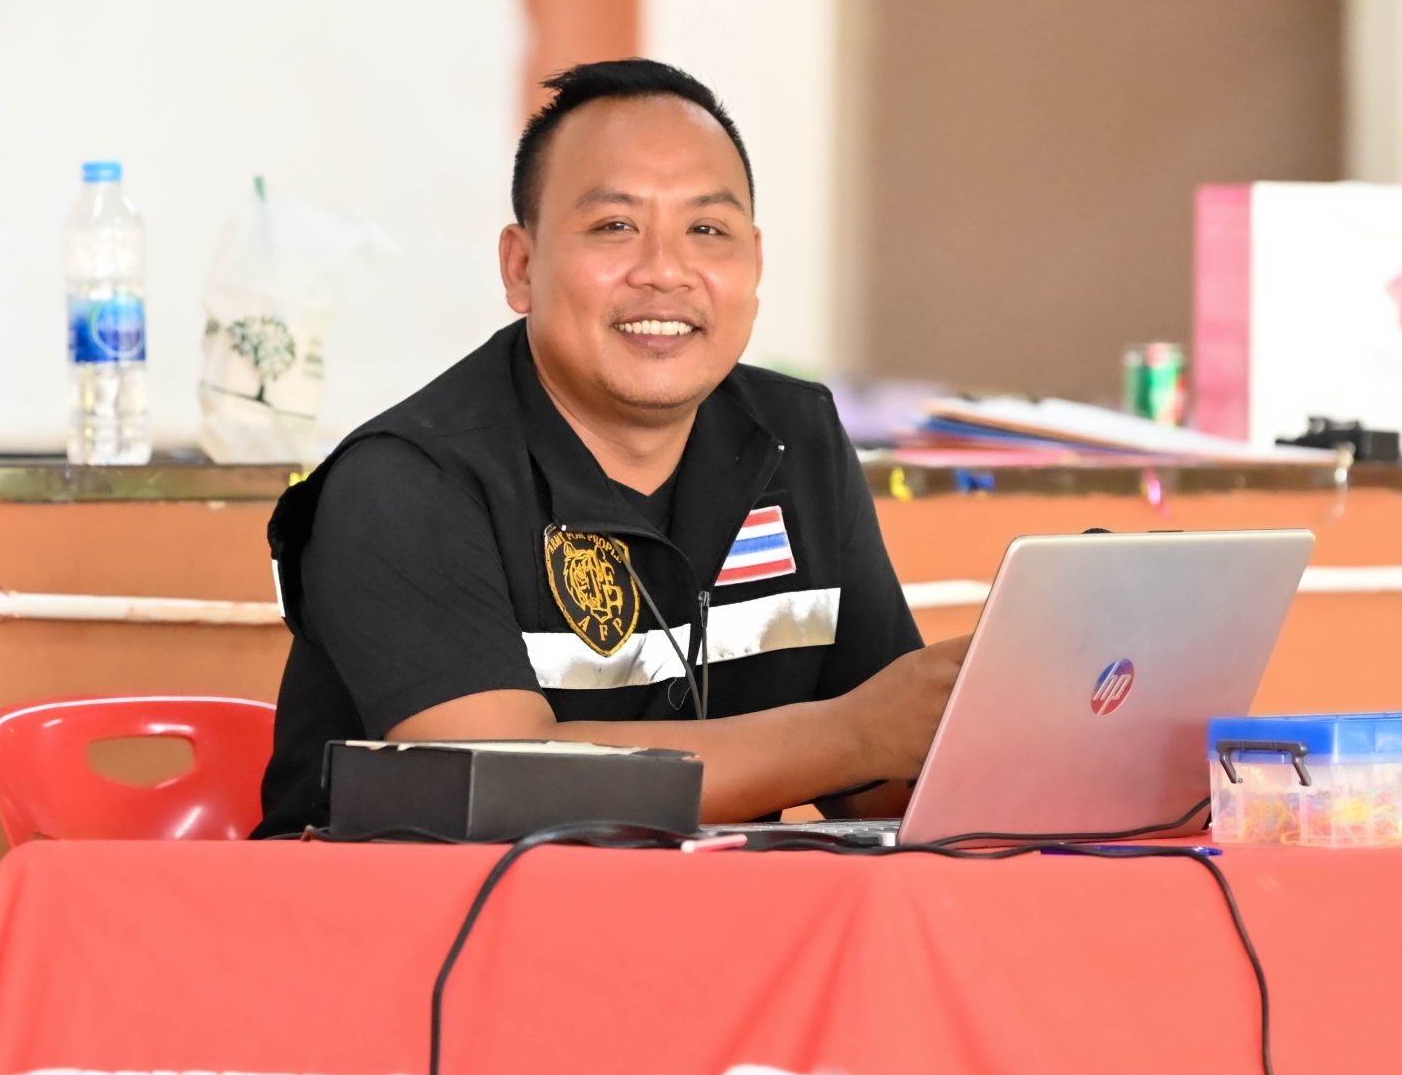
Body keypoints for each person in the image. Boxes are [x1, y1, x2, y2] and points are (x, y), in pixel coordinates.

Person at [254, 59, 968, 838]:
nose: (665, 271)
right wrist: (852, 733)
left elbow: (886, 785)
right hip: (410, 914)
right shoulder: (404, 483)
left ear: (755, 265)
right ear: (521, 267)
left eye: (707, 230)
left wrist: (1006, 719)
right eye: (614, 227)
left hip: (709, 912)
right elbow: (496, 784)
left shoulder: (796, 440)